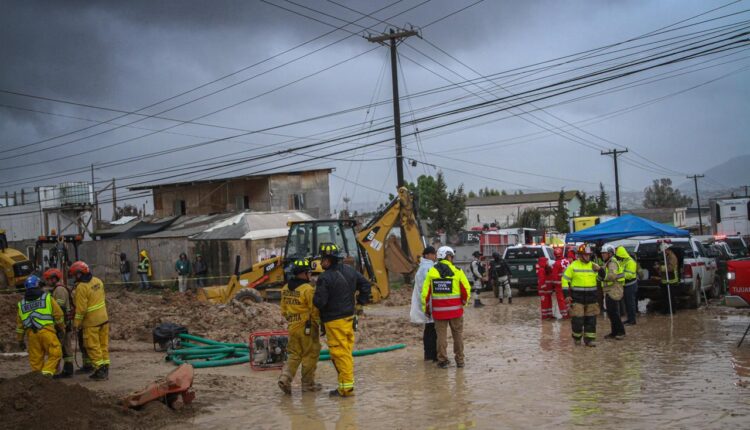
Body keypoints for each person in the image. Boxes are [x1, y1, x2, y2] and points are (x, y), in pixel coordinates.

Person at [313, 243, 371, 397]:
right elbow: (366, 284)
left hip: (334, 321)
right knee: (346, 352)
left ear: (329, 259)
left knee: (340, 354)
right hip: (349, 318)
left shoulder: (324, 278)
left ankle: (346, 389)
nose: (321, 262)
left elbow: (319, 302)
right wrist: (360, 302)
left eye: (322, 259)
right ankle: (345, 385)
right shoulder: (351, 271)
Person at [421, 246, 471, 368]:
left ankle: (442, 360)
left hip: (439, 313)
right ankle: (460, 361)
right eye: (451, 256)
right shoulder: (457, 271)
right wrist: (463, 303)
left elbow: (425, 294)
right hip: (456, 312)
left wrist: (426, 310)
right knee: (458, 336)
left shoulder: (431, 272)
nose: (452, 258)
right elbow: (466, 290)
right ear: (447, 256)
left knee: (441, 337)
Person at [278, 259, 322, 394]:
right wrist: (319, 325)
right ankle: (308, 385)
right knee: (310, 355)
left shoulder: (285, 288)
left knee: (294, 355)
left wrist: (292, 319)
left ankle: (285, 379)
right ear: (303, 273)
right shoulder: (307, 289)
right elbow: (314, 310)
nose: (310, 275)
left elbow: (284, 310)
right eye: (308, 272)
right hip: (307, 328)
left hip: (292, 327)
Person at [16, 275, 65, 377]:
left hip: (32, 335)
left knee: (36, 360)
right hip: (47, 332)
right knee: (55, 353)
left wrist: (20, 340)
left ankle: (37, 379)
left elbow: (20, 327)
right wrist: (61, 328)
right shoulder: (47, 298)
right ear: (38, 285)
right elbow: (59, 315)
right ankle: (46, 373)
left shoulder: (21, 304)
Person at [70, 261, 110, 380]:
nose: (74, 278)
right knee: (103, 345)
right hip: (104, 319)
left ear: (79, 274)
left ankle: (100, 370)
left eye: (74, 275)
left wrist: (76, 324)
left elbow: (81, 310)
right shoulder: (98, 281)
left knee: (92, 346)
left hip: (91, 323)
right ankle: (105, 366)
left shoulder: (81, 287)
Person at [561, 245, 601, 347]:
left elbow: (603, 278)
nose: (588, 257)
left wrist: (600, 270)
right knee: (577, 320)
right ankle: (577, 339)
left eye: (589, 255)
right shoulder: (573, 266)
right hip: (577, 298)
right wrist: (566, 295)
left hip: (591, 298)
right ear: (579, 255)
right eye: (585, 255)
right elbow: (565, 280)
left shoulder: (593, 266)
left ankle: (589, 340)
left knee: (591, 320)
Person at [42, 268, 75, 378]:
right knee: (66, 346)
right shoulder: (58, 289)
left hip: (62, 324)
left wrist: (59, 325)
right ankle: (68, 369)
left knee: (57, 348)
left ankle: (55, 372)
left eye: (48, 279)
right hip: (66, 323)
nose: (47, 281)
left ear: (54, 279)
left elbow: (59, 308)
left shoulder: (59, 290)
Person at [410, 246, 437, 361]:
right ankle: (432, 355)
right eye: (433, 254)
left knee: (429, 329)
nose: (435, 256)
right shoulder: (427, 268)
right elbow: (427, 289)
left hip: (425, 304)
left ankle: (428, 355)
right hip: (428, 304)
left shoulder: (424, 267)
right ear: (427, 255)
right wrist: (429, 306)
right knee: (432, 331)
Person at [600, 245, 626, 340]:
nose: (602, 255)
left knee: (614, 313)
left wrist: (602, 275)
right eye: (602, 253)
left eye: (604, 253)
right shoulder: (607, 262)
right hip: (609, 290)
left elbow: (612, 276)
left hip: (614, 290)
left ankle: (620, 332)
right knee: (611, 313)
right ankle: (614, 332)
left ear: (610, 253)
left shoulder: (612, 263)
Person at [616, 246, 638, 325]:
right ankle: (629, 319)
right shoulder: (623, 261)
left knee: (630, 303)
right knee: (627, 303)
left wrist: (619, 275)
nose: (618, 258)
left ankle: (632, 320)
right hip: (626, 285)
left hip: (631, 285)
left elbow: (630, 275)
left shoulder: (631, 262)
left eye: (619, 256)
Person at [655, 243, 679, 314]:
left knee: (671, 297)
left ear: (667, 250)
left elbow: (670, 268)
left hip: (671, 280)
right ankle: (665, 311)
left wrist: (660, 268)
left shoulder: (672, 257)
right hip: (665, 280)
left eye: (664, 251)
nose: (663, 252)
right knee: (665, 297)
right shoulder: (666, 256)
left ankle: (672, 311)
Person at [549, 248, 570, 319]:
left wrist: (552, 285)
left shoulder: (556, 264)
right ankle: (570, 313)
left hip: (559, 286)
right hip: (568, 285)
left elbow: (554, 277)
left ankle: (565, 315)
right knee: (568, 299)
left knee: (561, 301)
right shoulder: (567, 261)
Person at [537, 256, 554, 320]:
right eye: (547, 262)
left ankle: (550, 315)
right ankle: (544, 316)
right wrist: (544, 288)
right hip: (544, 291)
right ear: (543, 262)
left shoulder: (547, 269)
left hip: (548, 290)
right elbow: (542, 280)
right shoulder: (541, 270)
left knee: (549, 303)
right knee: (544, 304)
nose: (548, 263)